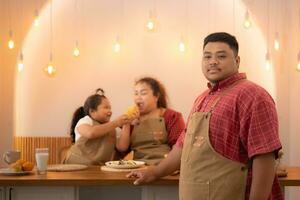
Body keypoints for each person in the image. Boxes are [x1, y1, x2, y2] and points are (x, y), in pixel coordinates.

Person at [127, 32, 283, 200]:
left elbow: (264, 156)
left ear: (237, 61)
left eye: (221, 56)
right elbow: (182, 146)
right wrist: (155, 172)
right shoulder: (202, 98)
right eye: (207, 57)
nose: (213, 61)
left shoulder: (253, 95)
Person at [116, 77, 185, 165]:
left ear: (156, 96)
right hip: (138, 168)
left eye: (143, 93)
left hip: (165, 167)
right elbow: (122, 149)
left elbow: (179, 148)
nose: (138, 97)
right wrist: (127, 123)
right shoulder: (132, 119)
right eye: (136, 93)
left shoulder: (172, 116)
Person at [63, 88, 130, 165]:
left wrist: (126, 124)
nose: (110, 111)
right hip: (75, 166)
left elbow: (122, 147)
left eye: (110, 108)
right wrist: (116, 122)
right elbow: (90, 133)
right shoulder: (86, 121)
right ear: (92, 111)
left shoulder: (112, 128)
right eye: (106, 107)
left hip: (97, 169)